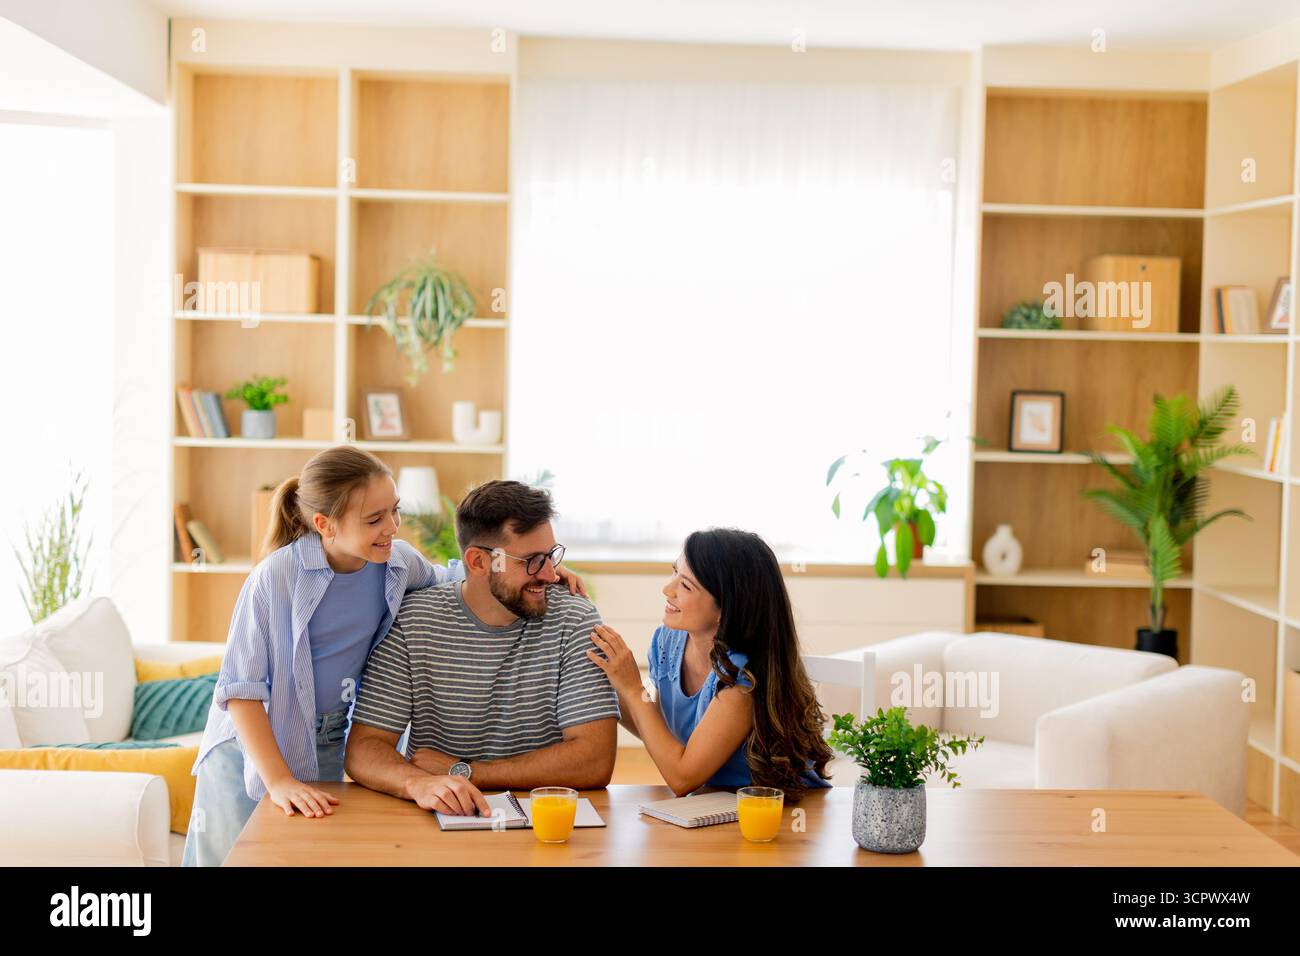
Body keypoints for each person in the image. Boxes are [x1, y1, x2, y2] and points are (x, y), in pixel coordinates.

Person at [182, 447, 586, 866]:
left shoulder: (396, 562)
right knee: (230, 858)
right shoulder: (275, 577)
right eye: (374, 519)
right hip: (251, 745)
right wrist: (279, 781)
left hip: (327, 739)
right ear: (325, 525)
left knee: (303, 855)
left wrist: (541, 571)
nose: (392, 527)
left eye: (394, 511)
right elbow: (241, 691)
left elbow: (458, 577)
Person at [345, 479, 619, 807]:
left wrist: (465, 772)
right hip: (440, 816)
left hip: (546, 817)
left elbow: (594, 760)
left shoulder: (575, 618)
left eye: (550, 556)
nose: (549, 575)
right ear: (477, 562)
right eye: (532, 560)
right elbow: (364, 749)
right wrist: (418, 783)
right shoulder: (413, 621)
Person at [588, 527, 833, 799]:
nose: (667, 589)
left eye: (685, 585)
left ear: (725, 608)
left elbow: (682, 778)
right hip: (717, 801)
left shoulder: (743, 678)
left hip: (777, 808)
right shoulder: (668, 641)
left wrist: (634, 689)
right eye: (674, 572)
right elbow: (657, 726)